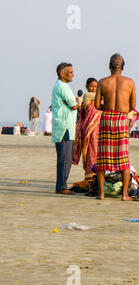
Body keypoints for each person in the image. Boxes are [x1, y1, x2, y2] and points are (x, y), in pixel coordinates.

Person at [95, 53, 136, 201]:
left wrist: (107, 107)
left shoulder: (102, 82)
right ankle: (125, 194)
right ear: (123, 67)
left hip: (106, 118)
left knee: (102, 158)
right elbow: (132, 105)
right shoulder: (130, 82)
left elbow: (96, 104)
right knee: (123, 158)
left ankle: (101, 194)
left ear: (109, 66)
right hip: (121, 118)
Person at [51, 62, 81, 195]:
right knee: (64, 158)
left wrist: (72, 103)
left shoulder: (62, 86)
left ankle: (62, 186)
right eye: (70, 72)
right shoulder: (62, 86)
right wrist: (75, 103)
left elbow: (71, 103)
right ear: (62, 74)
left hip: (66, 126)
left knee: (66, 158)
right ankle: (61, 187)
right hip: (64, 127)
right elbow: (74, 105)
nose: (73, 74)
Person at [72, 78, 101, 180]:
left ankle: (98, 177)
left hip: (99, 129)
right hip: (90, 129)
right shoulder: (87, 96)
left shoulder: (99, 97)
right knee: (90, 152)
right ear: (87, 87)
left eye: (96, 87)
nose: (94, 88)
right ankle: (90, 176)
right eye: (92, 86)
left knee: (98, 153)